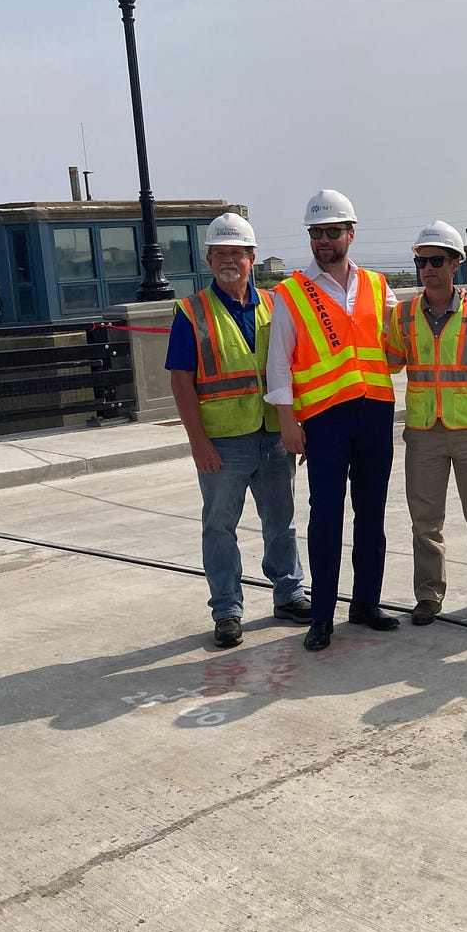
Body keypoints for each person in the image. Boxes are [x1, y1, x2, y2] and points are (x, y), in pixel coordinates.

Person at [266, 189, 402, 650]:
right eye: (316, 232)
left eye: (331, 231)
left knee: (372, 513)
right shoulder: (291, 293)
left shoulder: (378, 286)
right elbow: (279, 363)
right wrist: (288, 421)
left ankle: (365, 603)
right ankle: (321, 616)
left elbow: (404, 332)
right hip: (324, 419)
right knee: (326, 516)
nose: (323, 240)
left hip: (375, 411)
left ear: (350, 234)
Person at [165, 213, 309, 648]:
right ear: (209, 259)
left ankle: (289, 594)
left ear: (252, 257)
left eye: (237, 253)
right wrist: (198, 443)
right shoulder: (191, 312)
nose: (229, 260)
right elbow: (181, 381)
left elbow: (295, 366)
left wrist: (298, 422)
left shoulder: (275, 305)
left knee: (281, 523)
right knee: (220, 527)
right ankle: (227, 610)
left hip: (274, 433)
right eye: (220, 253)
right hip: (223, 441)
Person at [385, 222, 467, 625]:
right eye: (421, 261)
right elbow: (390, 361)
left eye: (436, 260)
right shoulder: (404, 315)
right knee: (425, 521)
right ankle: (428, 594)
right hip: (424, 432)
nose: (427, 268)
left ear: (456, 263)